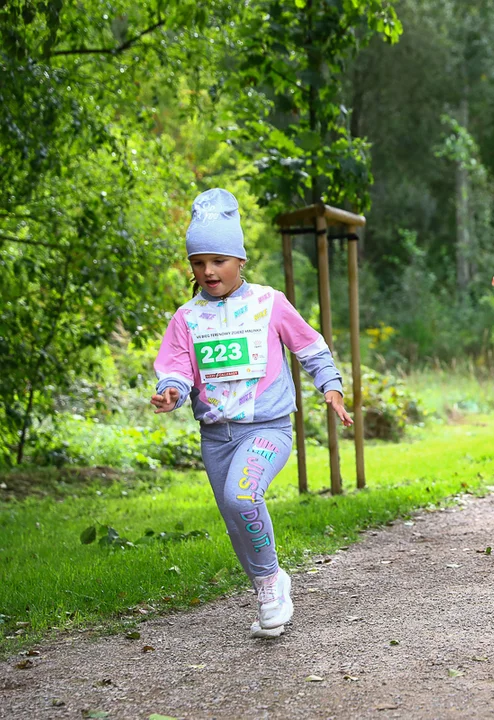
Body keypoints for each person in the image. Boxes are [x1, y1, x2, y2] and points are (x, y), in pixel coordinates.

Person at [151, 189, 353, 639]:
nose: (208, 271)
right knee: (233, 512)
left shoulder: (268, 302)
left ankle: (271, 585)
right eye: (199, 262)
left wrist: (332, 388)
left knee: (243, 497)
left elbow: (311, 347)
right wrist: (170, 392)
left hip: (268, 427)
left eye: (218, 260)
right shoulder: (187, 318)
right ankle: (268, 582)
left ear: (239, 260)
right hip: (215, 435)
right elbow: (178, 370)